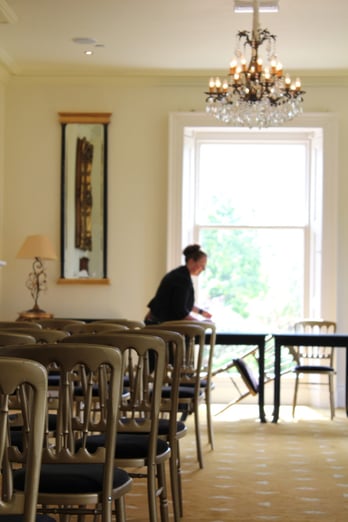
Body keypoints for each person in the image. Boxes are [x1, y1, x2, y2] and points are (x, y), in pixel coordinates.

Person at [145, 244, 212, 325]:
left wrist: (201, 312)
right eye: (202, 265)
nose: (203, 269)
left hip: (154, 323)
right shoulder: (182, 279)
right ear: (191, 261)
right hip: (159, 326)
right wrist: (201, 324)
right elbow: (181, 312)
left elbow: (181, 303)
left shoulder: (179, 274)